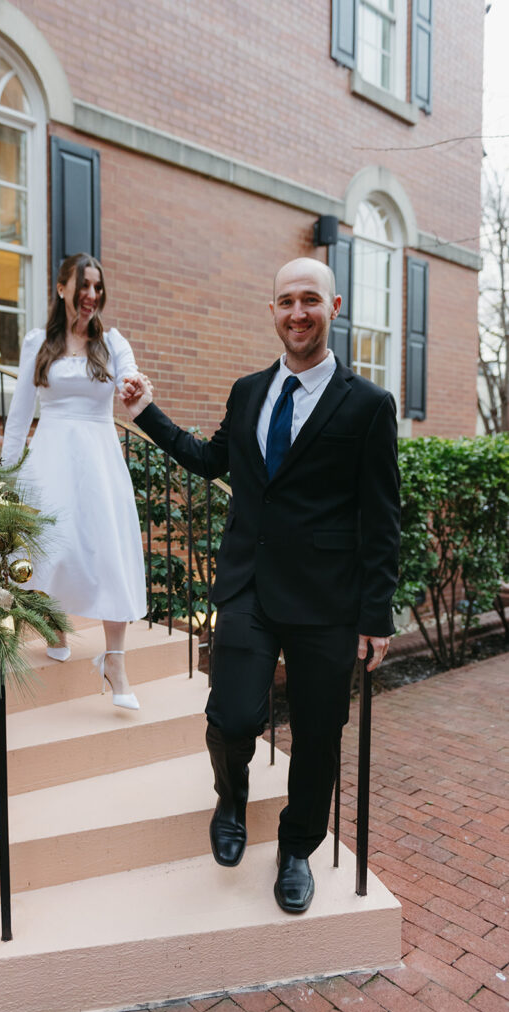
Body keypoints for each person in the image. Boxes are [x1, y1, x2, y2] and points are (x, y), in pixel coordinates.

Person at [121, 257, 400, 910]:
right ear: (270, 310)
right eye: (284, 301)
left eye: (309, 300)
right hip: (248, 586)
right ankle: (231, 799)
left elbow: (381, 518)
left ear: (333, 308)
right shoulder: (249, 391)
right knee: (232, 715)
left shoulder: (369, 405)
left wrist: (376, 615)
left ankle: (297, 847)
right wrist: (146, 413)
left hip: (328, 602)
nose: (296, 312)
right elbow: (211, 459)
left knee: (318, 735)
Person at [1, 253, 146, 710]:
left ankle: (115, 661)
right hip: (50, 455)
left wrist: (137, 387)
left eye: (98, 287)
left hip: (98, 458)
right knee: (51, 545)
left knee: (106, 550)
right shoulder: (37, 343)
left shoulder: (113, 342)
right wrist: (5, 477)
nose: (91, 295)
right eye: (83, 285)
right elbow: (20, 413)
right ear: (62, 287)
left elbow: (131, 381)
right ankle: (55, 624)